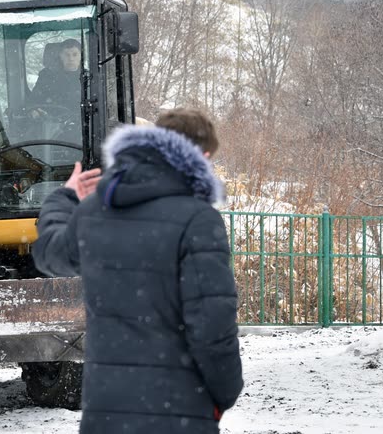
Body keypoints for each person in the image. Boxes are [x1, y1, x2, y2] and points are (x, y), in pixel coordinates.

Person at [32, 107, 243, 434]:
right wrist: (225, 393)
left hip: (106, 411)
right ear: (198, 155)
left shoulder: (94, 211)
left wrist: (63, 198)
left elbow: (49, 254)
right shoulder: (198, 220)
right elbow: (213, 325)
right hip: (180, 409)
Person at [28, 38, 82, 115]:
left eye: (75, 54)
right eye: (67, 55)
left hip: (83, 123)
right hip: (51, 121)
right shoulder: (47, 76)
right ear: (60, 56)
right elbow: (34, 100)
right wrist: (35, 110)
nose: (71, 59)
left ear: (81, 56)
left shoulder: (88, 77)